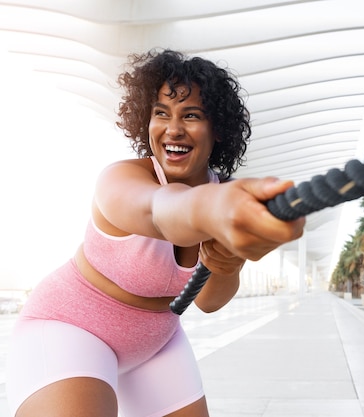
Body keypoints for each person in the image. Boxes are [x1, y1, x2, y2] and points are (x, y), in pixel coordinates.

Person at [6, 49, 305, 417]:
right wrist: (214, 208)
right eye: (161, 114)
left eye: (191, 116)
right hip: (68, 328)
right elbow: (160, 210)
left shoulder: (223, 192)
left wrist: (228, 261)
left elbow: (210, 301)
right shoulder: (122, 179)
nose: (173, 129)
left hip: (157, 344)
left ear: (218, 129)